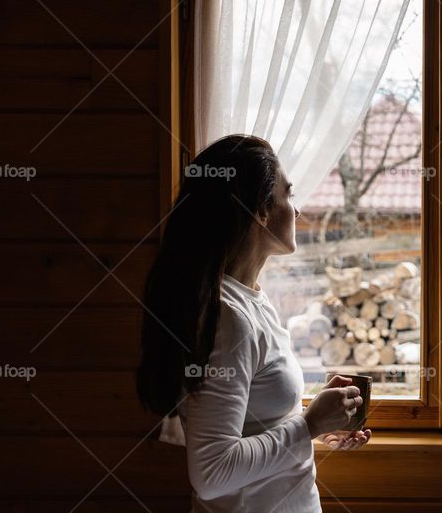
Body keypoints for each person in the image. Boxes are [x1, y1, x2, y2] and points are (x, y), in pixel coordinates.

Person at [136, 134, 371, 512]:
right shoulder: (228, 318)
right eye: (288, 195)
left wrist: (319, 424)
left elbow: (254, 427)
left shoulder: (251, 301)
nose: (296, 211)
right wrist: (308, 425)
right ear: (260, 211)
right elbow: (213, 473)